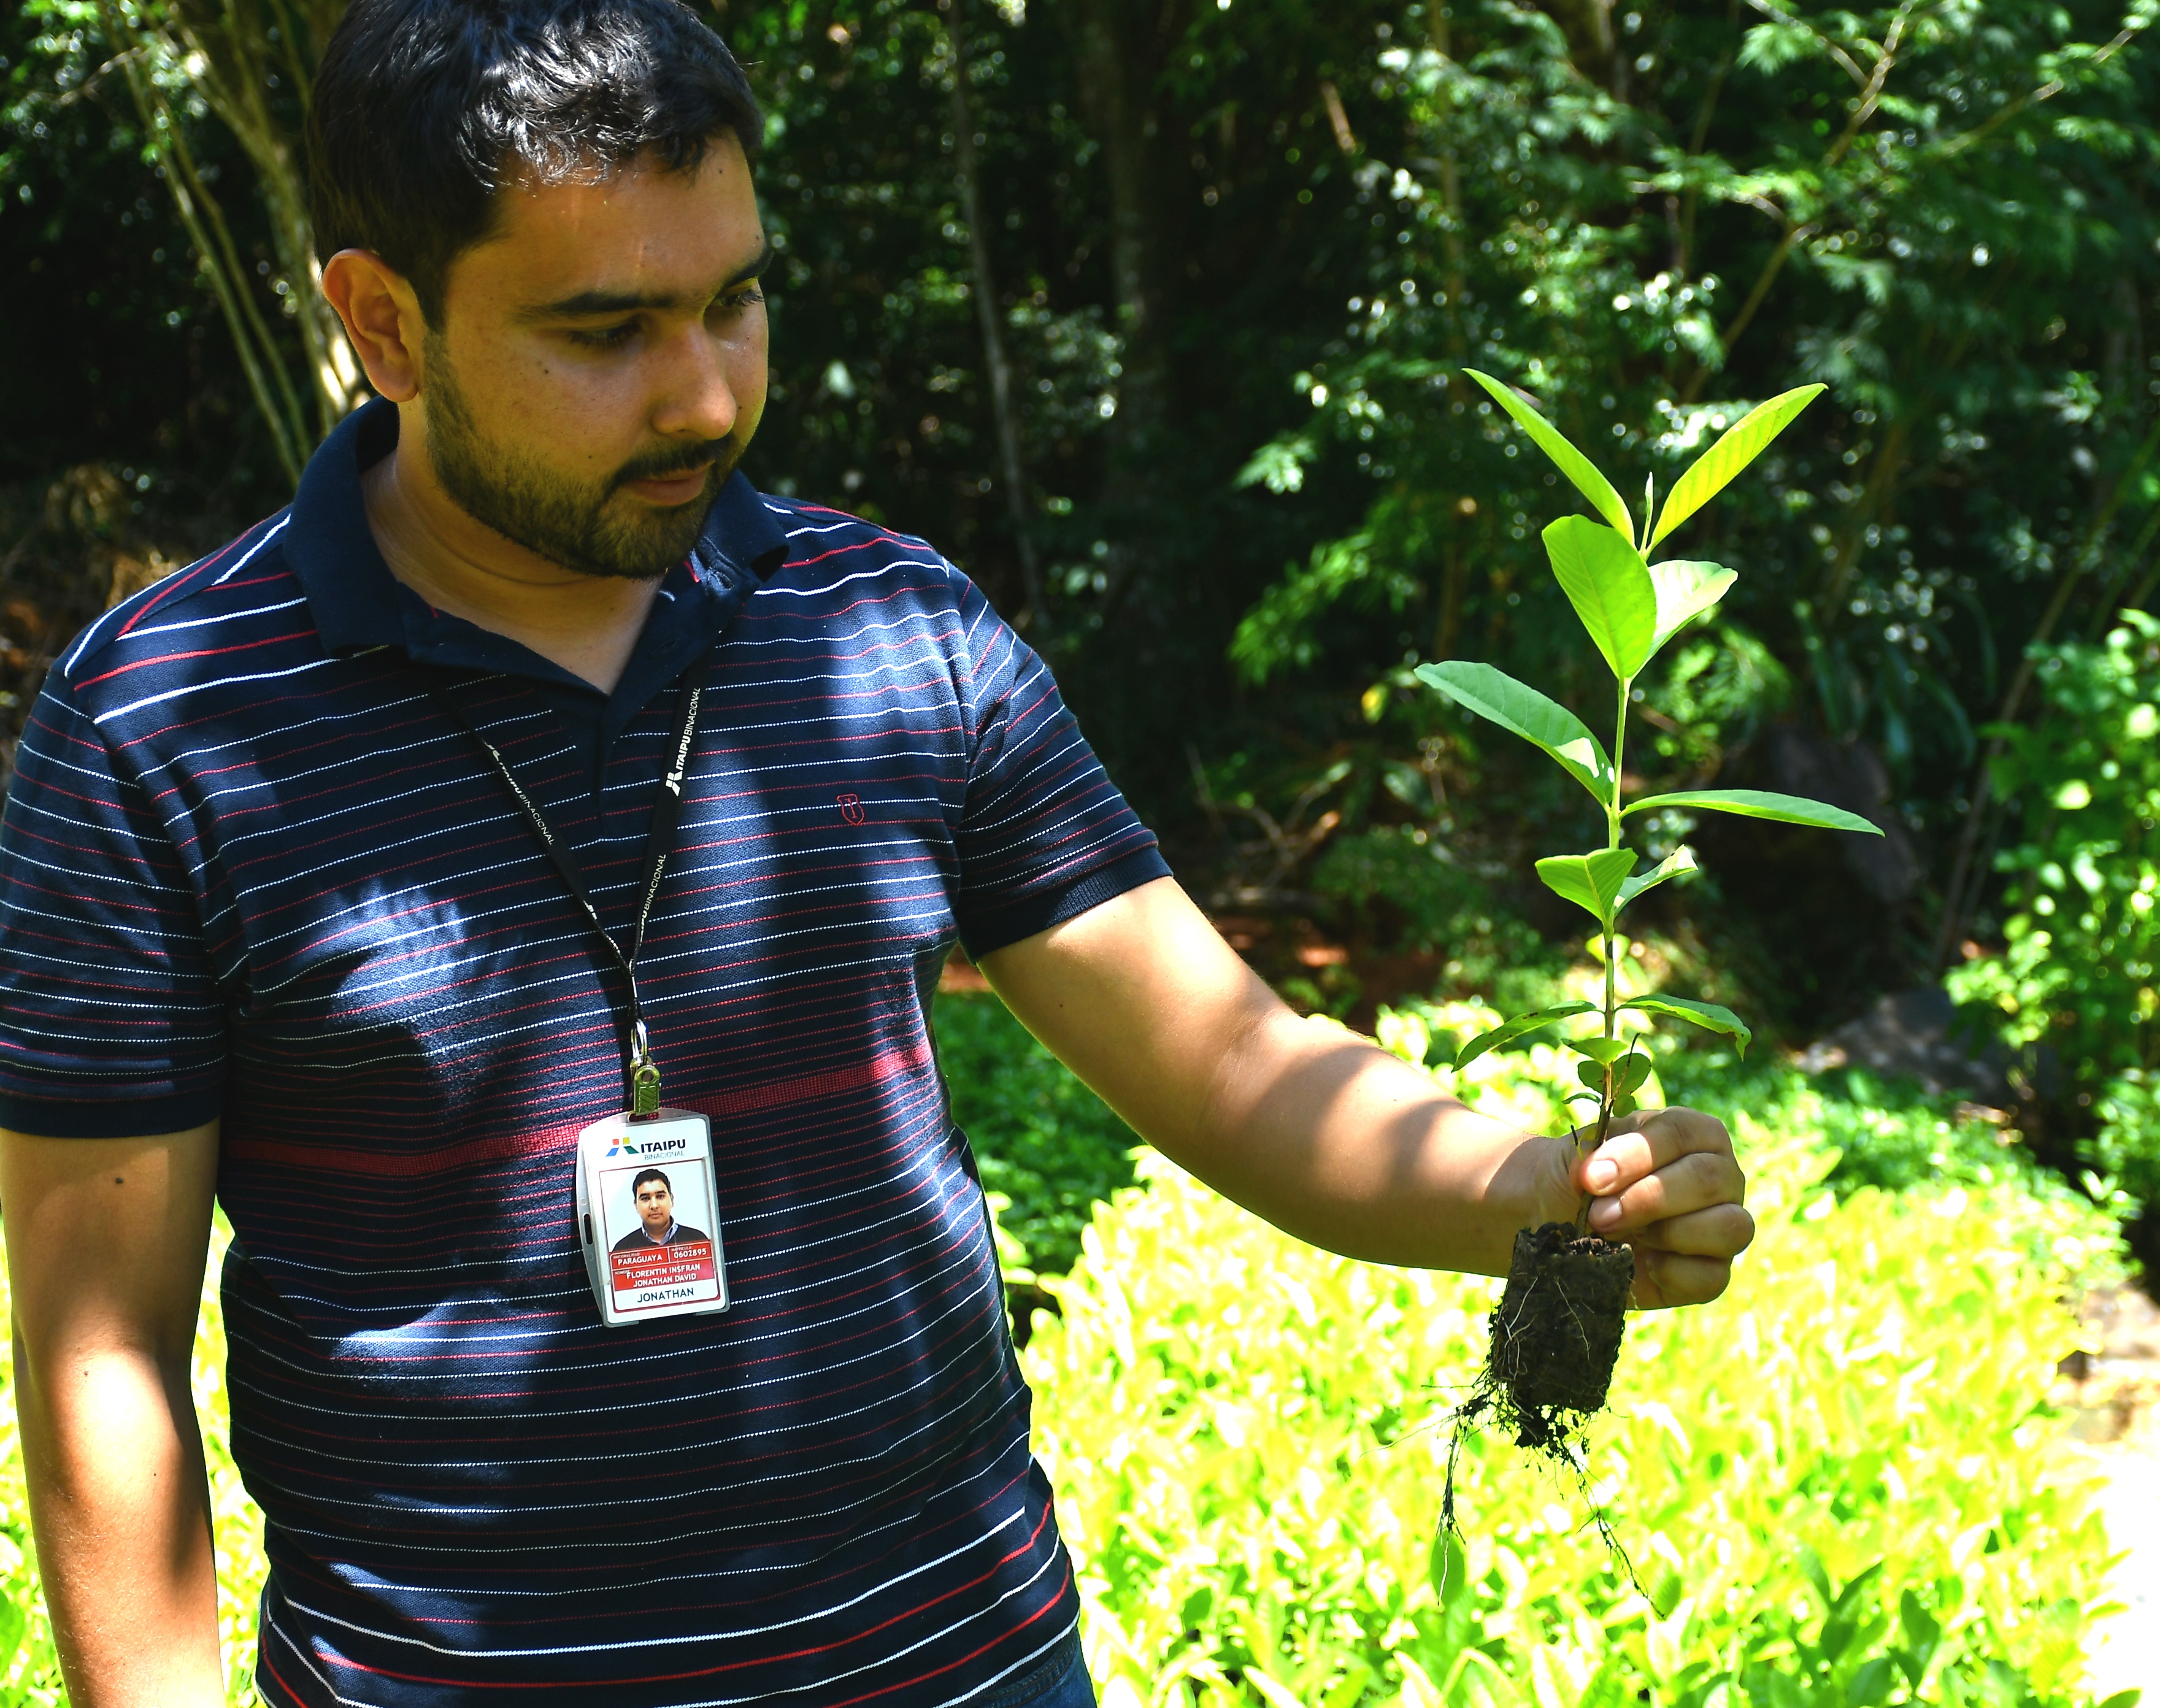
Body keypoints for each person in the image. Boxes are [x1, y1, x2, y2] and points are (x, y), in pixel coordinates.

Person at [0, 0, 1756, 1702]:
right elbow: (102, 1353)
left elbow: (1227, 1058)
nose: (705, 398)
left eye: (736, 303)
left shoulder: (888, 632)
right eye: (607, 333)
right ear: (384, 325)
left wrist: (1524, 1193)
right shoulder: (164, 727)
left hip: (967, 1668)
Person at [611, 1168, 709, 1253]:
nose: (654, 1206)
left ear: (672, 1200)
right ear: (636, 1205)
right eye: (645, 1198)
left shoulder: (697, 1239)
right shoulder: (623, 1249)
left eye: (660, 1196)